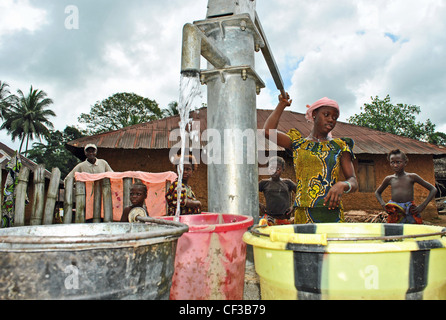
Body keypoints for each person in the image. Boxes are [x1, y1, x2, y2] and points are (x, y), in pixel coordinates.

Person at [263, 94, 358, 224]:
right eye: (326, 115)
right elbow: (268, 132)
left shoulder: (340, 146)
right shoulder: (298, 144)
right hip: (303, 213)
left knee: (331, 244)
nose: (331, 119)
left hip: (331, 213)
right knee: (304, 244)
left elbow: (353, 181)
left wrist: (343, 184)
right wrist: (282, 104)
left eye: (335, 118)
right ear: (314, 114)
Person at [375, 149, 437, 224]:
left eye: (398, 162)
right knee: (394, 232)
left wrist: (422, 206)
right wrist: (383, 205)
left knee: (413, 232)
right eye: (392, 162)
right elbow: (377, 192)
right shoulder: (389, 179)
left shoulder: (412, 177)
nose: (395, 165)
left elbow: (433, 189)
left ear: (405, 162)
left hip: (410, 210)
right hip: (395, 210)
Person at [259, 156, 297, 226]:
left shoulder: (288, 183)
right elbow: (250, 194)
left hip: (285, 218)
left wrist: (293, 206)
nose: (274, 171)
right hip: (270, 218)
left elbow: (300, 193)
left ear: (283, 169)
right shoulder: (263, 183)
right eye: (271, 168)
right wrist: (259, 204)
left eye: (278, 168)